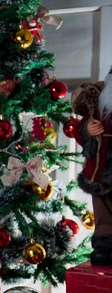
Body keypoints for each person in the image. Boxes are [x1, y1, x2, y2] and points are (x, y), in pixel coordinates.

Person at [72, 66, 112, 265]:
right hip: (102, 166)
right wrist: (88, 129)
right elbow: (80, 129)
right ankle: (104, 246)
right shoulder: (99, 102)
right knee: (103, 210)